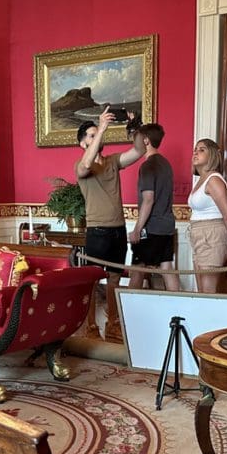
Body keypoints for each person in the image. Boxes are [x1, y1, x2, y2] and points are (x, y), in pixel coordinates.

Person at [76, 106, 145, 342]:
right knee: (94, 280)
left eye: (98, 134)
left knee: (115, 279)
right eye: (92, 135)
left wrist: (135, 127)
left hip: (117, 231)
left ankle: (113, 323)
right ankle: (91, 326)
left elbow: (139, 150)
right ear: (83, 143)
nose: (98, 137)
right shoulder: (82, 166)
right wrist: (102, 126)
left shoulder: (113, 162)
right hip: (97, 232)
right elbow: (86, 166)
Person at [128, 122, 180, 292]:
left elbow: (148, 199)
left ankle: (130, 313)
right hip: (167, 225)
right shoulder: (165, 164)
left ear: (146, 141)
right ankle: (177, 308)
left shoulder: (148, 166)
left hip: (152, 227)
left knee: (137, 270)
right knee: (167, 268)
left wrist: (137, 229)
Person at [188, 138, 227, 294]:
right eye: (195, 149)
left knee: (208, 292)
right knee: (202, 290)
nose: (196, 152)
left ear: (213, 156)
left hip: (212, 235)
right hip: (199, 235)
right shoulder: (201, 179)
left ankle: (210, 319)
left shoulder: (214, 180)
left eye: (202, 150)